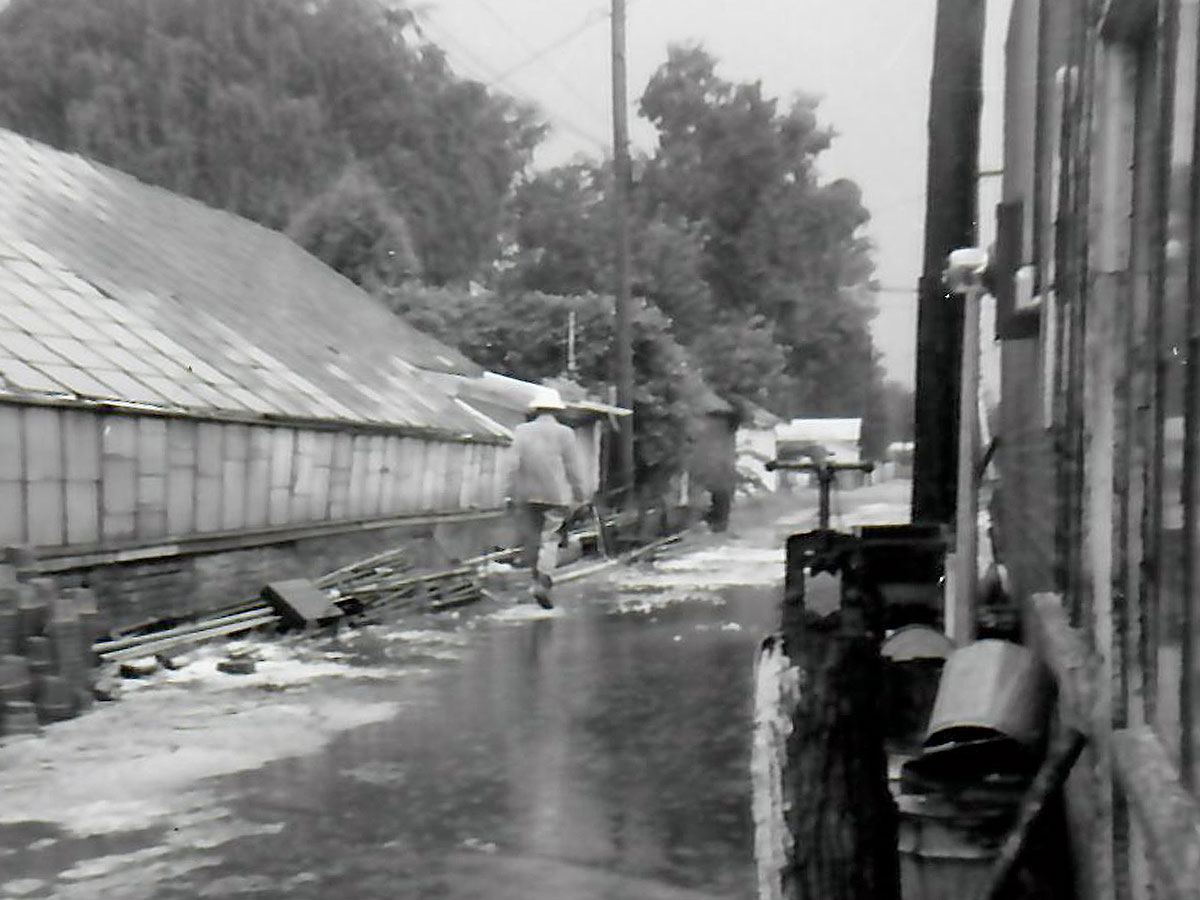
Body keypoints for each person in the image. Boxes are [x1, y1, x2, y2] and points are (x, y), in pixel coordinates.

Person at [505, 392, 586, 609]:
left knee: (532, 540)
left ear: (535, 410)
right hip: (556, 496)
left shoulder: (521, 431)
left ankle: (535, 582)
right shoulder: (565, 434)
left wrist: (509, 493)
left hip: (526, 495)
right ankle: (543, 582)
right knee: (550, 539)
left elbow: (512, 465)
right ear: (557, 410)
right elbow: (572, 468)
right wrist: (580, 495)